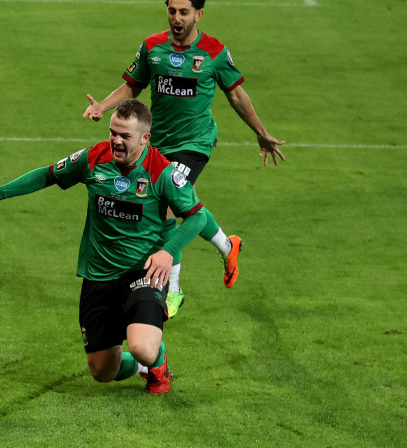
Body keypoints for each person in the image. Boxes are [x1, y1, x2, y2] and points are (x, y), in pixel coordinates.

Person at [0, 99, 206, 394]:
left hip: (143, 271)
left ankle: (155, 362)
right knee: (102, 371)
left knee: (143, 347)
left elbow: (197, 216)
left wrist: (166, 252)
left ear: (145, 138)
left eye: (125, 136)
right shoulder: (94, 158)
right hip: (99, 275)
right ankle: (139, 366)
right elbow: (48, 174)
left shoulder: (162, 172)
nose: (116, 140)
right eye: (114, 132)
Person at [83, 0, 286, 318]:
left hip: (195, 143)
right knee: (180, 204)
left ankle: (172, 290)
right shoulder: (152, 47)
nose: (177, 18)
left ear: (199, 14)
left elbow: (236, 94)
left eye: (184, 12)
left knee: (166, 205)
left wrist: (261, 132)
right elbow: (133, 85)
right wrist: (103, 107)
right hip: (157, 144)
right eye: (172, 11)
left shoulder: (214, 52)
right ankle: (226, 245)